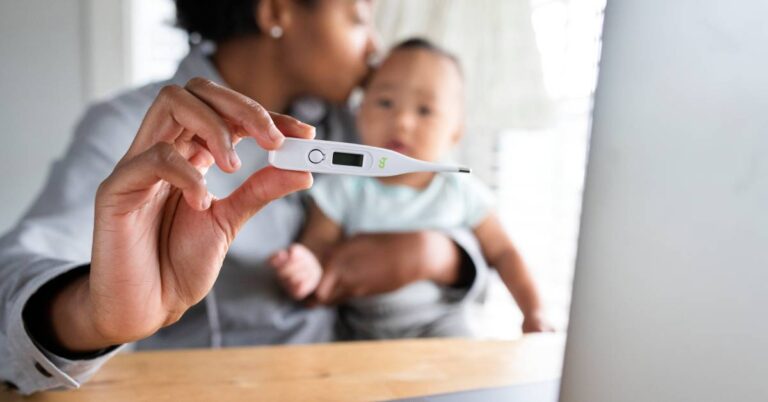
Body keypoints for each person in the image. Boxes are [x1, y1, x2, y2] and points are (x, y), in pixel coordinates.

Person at [0, 0, 489, 395]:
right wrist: (93, 313)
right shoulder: (133, 131)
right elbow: (12, 279)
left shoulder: (351, 124)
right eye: (359, 18)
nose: (375, 51)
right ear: (277, 12)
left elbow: (449, 209)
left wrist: (442, 254)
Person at [270, 39, 553, 339]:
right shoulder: (342, 186)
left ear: (456, 130)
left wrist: (533, 312)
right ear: (359, 111)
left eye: (425, 110)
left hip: (443, 324)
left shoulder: (459, 190)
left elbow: (504, 252)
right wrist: (305, 267)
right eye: (385, 102)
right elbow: (317, 246)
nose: (402, 121)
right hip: (360, 332)